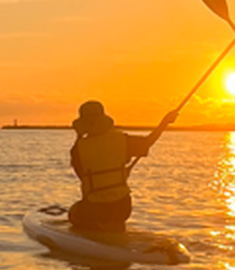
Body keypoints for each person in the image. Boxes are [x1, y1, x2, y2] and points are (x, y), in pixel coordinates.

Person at [68, 100, 177, 233]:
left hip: (95, 209)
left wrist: (79, 137)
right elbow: (148, 141)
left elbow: (83, 177)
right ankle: (114, 225)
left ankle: (100, 226)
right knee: (112, 212)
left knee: (73, 213)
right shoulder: (122, 139)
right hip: (123, 207)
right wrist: (164, 122)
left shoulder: (77, 150)